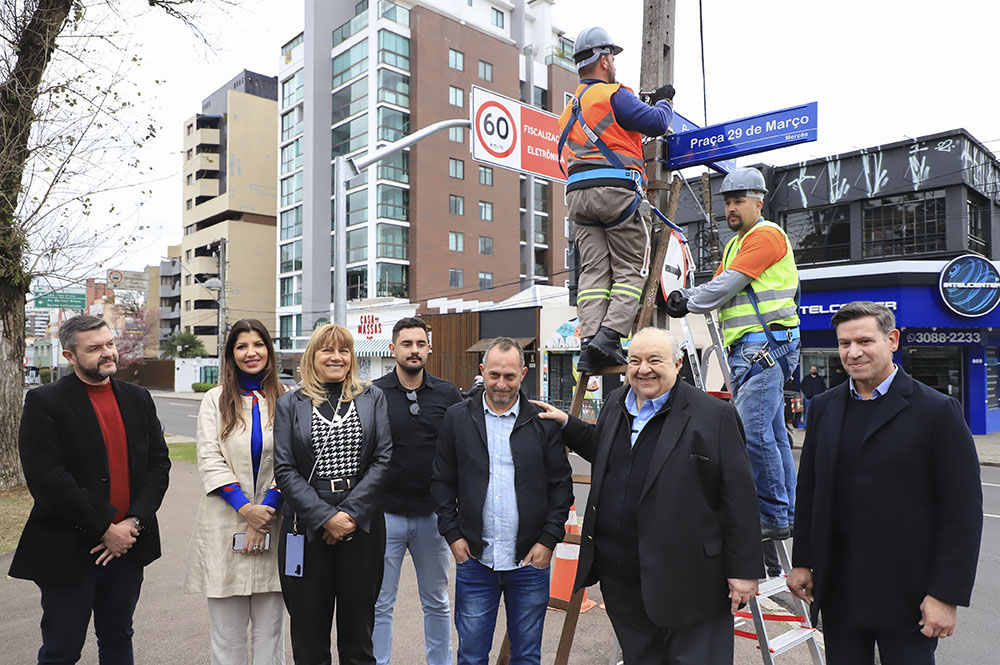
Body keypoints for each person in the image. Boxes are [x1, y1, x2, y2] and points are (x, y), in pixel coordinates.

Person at [533, 328, 762, 665]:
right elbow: (604, 448)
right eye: (635, 361)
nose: (644, 369)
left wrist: (743, 571)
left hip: (692, 583)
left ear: (678, 364)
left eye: (655, 360)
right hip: (623, 581)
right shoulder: (616, 402)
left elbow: (739, 496)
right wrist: (568, 424)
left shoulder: (714, 415)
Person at [788, 301, 983, 664]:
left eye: (864, 341)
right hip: (839, 592)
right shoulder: (824, 407)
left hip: (908, 596)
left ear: (892, 340)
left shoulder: (936, 411)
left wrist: (946, 595)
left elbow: (962, 513)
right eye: (844, 343)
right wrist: (803, 561)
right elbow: (810, 491)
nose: (853, 352)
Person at [9, 314, 171, 663]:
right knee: (62, 649)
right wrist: (105, 528)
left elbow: (159, 465)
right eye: (95, 348)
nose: (108, 352)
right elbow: (47, 480)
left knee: (118, 638)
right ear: (70, 356)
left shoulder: (138, 398)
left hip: (127, 548)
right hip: (67, 548)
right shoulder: (45, 402)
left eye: (109, 343)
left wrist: (133, 523)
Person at [665, 166, 800, 541]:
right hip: (755, 347)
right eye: (727, 203)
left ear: (759, 203)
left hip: (764, 345)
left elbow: (727, 285)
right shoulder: (735, 244)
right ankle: (787, 512)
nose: (731, 209)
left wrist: (687, 301)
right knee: (772, 435)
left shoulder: (766, 235)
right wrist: (690, 295)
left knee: (752, 432)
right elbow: (719, 283)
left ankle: (773, 514)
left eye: (739, 201)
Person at [432, 337, 573, 665]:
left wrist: (548, 541)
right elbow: (441, 481)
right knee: (471, 656)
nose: (501, 384)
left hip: (529, 562)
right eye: (494, 375)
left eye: (510, 376)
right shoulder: (457, 418)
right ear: (482, 371)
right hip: (475, 560)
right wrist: (453, 535)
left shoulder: (542, 422)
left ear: (523, 374)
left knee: (527, 657)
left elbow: (561, 487)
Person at [557, 26, 674, 373]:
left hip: (578, 198)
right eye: (612, 58)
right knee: (630, 268)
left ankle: (589, 343)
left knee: (593, 273)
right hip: (616, 193)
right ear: (605, 60)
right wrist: (665, 100)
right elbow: (657, 123)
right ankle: (609, 337)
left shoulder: (568, 110)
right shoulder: (614, 95)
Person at [273, 323, 392, 665]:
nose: (336, 357)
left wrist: (349, 515)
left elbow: (383, 459)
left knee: (358, 637)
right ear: (313, 356)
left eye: (344, 350)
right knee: (308, 637)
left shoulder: (372, 397)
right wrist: (325, 517)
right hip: (306, 527)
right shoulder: (290, 403)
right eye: (327, 350)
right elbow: (285, 469)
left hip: (362, 524)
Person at [184, 319, 287, 664]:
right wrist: (247, 510)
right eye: (242, 346)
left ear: (269, 351)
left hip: (273, 525)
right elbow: (209, 458)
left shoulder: (287, 399)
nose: (251, 352)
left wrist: (265, 511)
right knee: (227, 638)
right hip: (225, 524)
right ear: (231, 355)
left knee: (271, 635)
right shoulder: (214, 400)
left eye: (258, 344)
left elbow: (292, 461)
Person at [371, 318, 462, 665]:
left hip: (433, 517)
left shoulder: (448, 395)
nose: (414, 350)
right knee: (380, 602)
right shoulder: (374, 393)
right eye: (407, 344)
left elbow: (461, 451)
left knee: (437, 601)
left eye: (420, 344)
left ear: (429, 348)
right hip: (384, 516)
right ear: (392, 348)